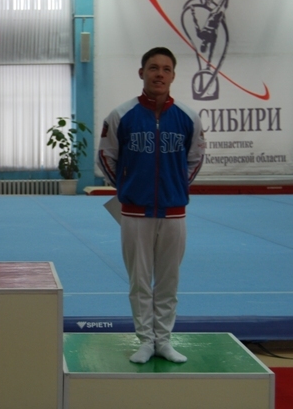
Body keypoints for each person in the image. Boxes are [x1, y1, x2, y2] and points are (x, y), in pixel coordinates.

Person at [97, 47, 205, 363]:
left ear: (173, 75)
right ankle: (146, 340)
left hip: (174, 211)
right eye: (154, 68)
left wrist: (177, 186)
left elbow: (196, 157)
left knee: (169, 281)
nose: (160, 74)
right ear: (141, 72)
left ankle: (164, 340)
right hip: (134, 211)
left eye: (166, 69)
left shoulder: (188, 117)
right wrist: (128, 188)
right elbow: (106, 156)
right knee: (140, 281)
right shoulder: (121, 115)